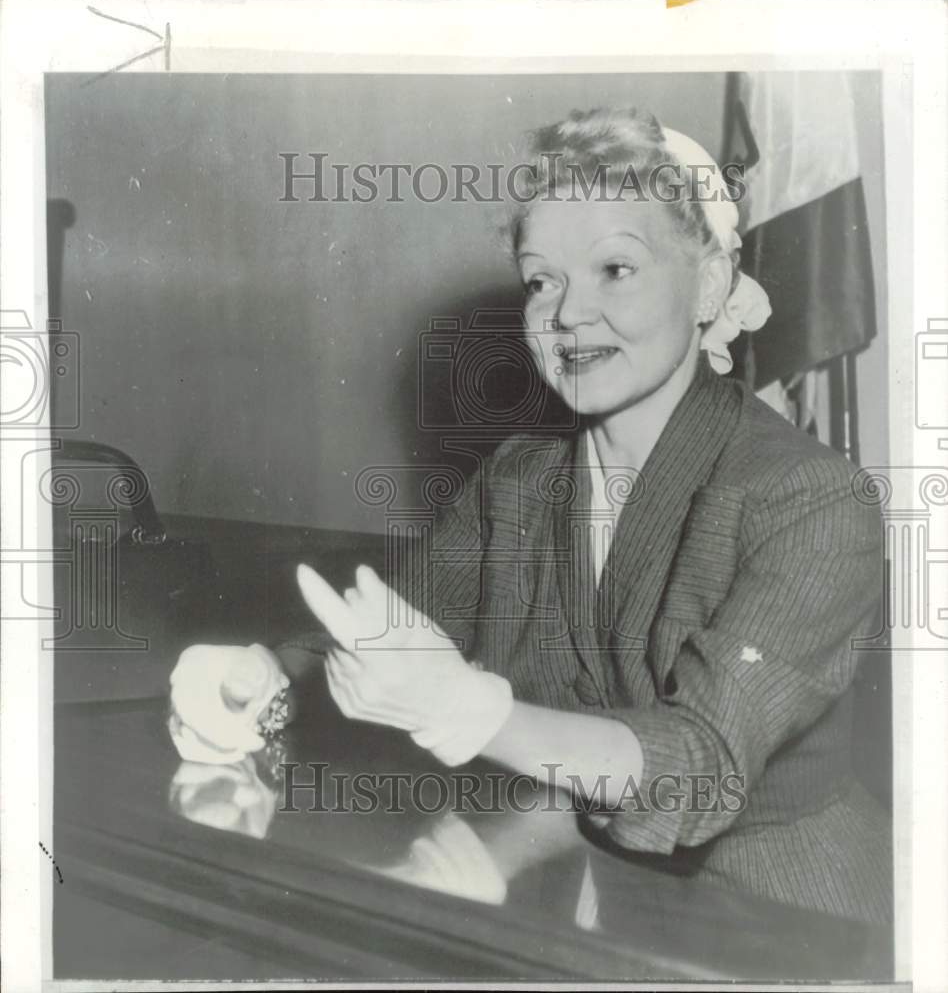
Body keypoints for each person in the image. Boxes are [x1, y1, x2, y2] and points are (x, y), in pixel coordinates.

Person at [170, 107, 891, 925]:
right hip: (564, 877)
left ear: (712, 285)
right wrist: (263, 679)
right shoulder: (520, 476)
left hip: (784, 920)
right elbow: (393, 628)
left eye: (616, 268)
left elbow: (698, 765)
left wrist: (477, 713)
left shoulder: (813, 499)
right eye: (543, 279)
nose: (567, 313)